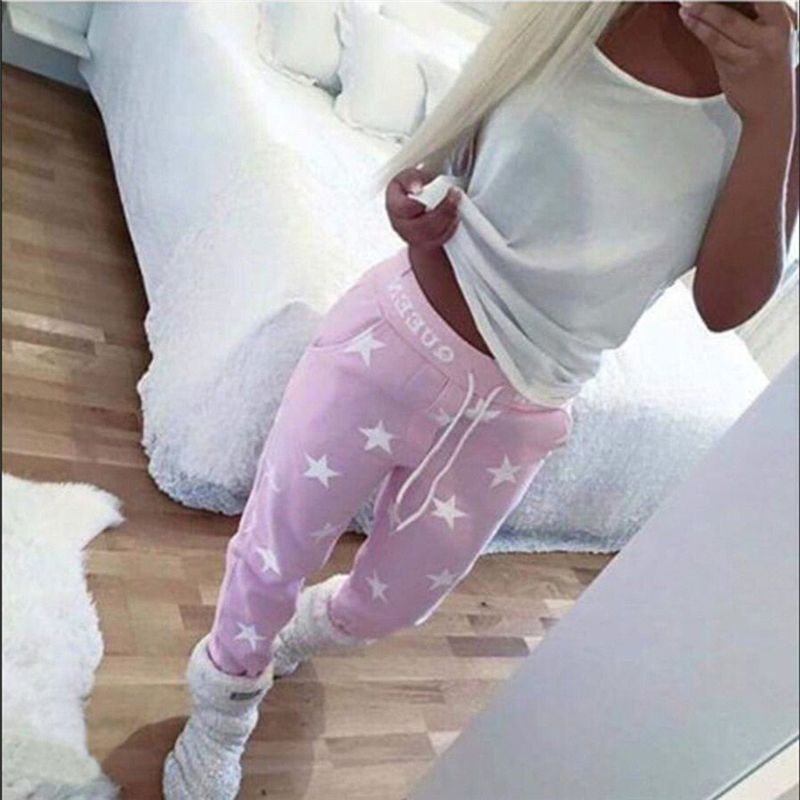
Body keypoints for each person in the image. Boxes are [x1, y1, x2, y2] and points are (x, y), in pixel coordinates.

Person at [163, 3, 799, 797]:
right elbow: (464, 146)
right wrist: (415, 190)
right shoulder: (579, 11)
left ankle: (294, 634)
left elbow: (724, 305)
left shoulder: (781, 98)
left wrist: (770, 114)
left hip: (514, 417)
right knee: (273, 549)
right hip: (392, 340)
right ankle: (225, 706)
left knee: (393, 605)